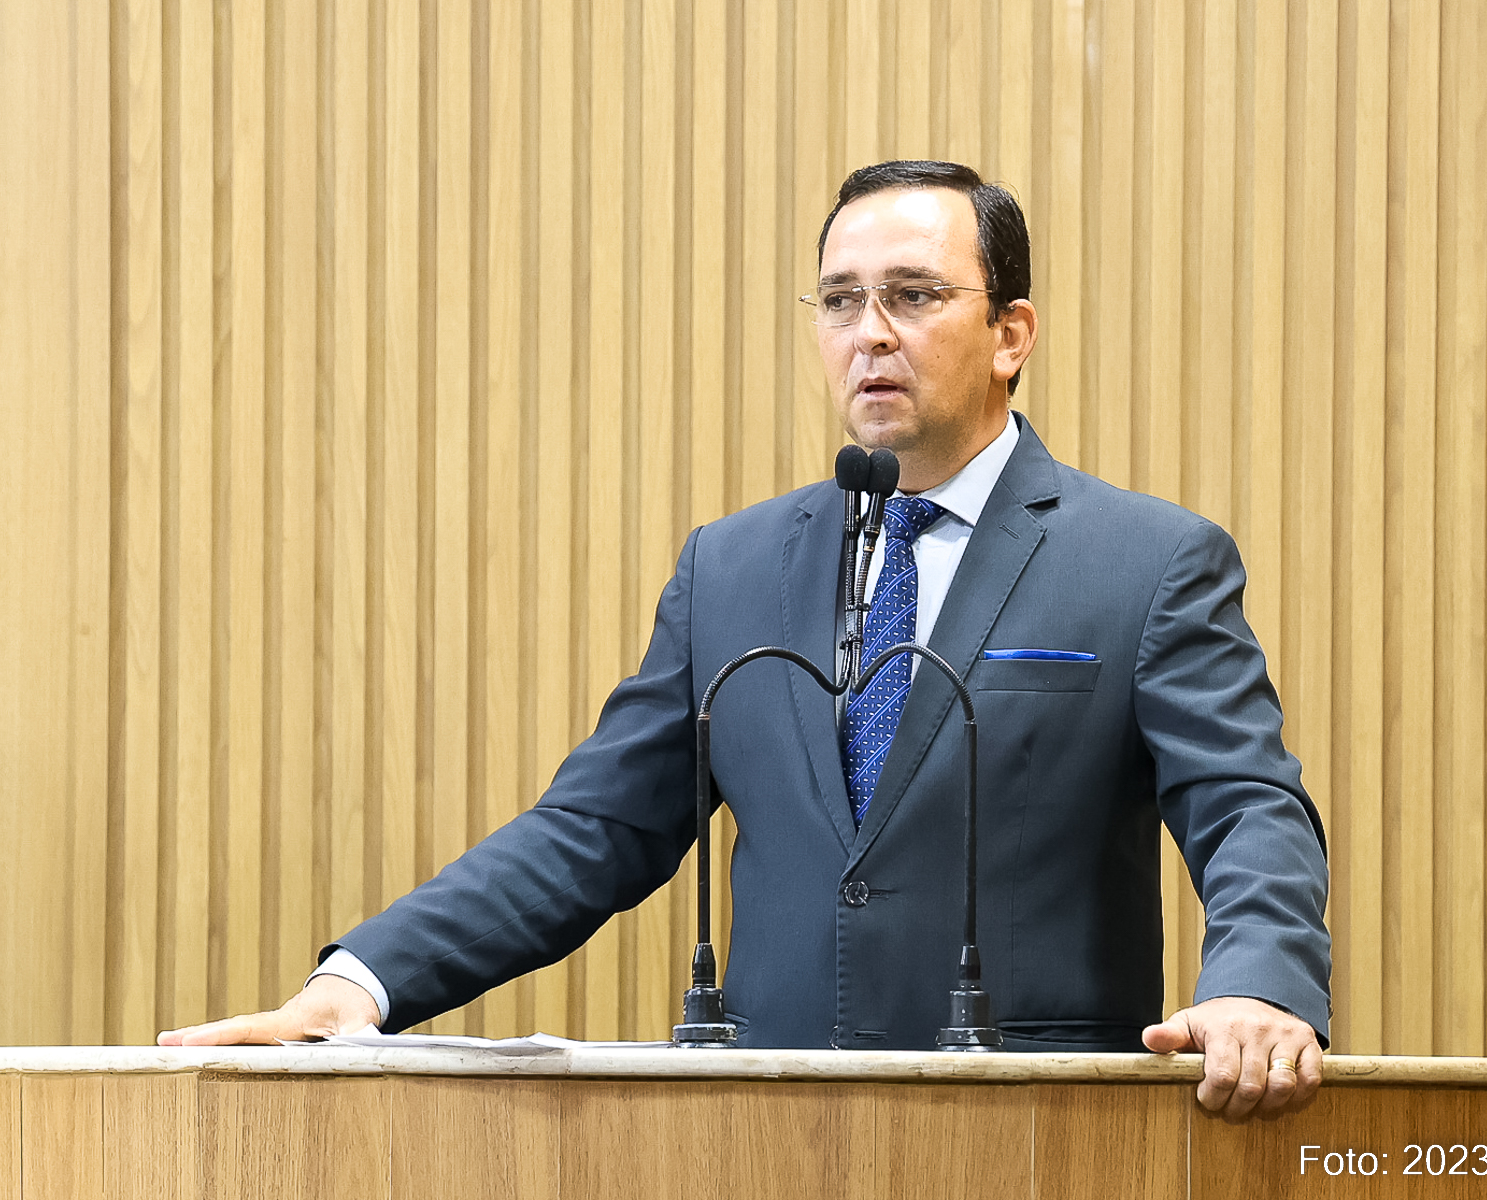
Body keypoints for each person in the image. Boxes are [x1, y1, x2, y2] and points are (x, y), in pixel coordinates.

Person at [161, 160, 1331, 1121]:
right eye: (840, 301)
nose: (869, 334)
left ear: (1010, 332)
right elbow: (595, 829)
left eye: (913, 296)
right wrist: (360, 985)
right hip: (770, 1129)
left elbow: (1248, 806)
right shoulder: (732, 567)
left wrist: (1260, 987)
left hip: (1037, 1131)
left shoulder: (1145, 563)